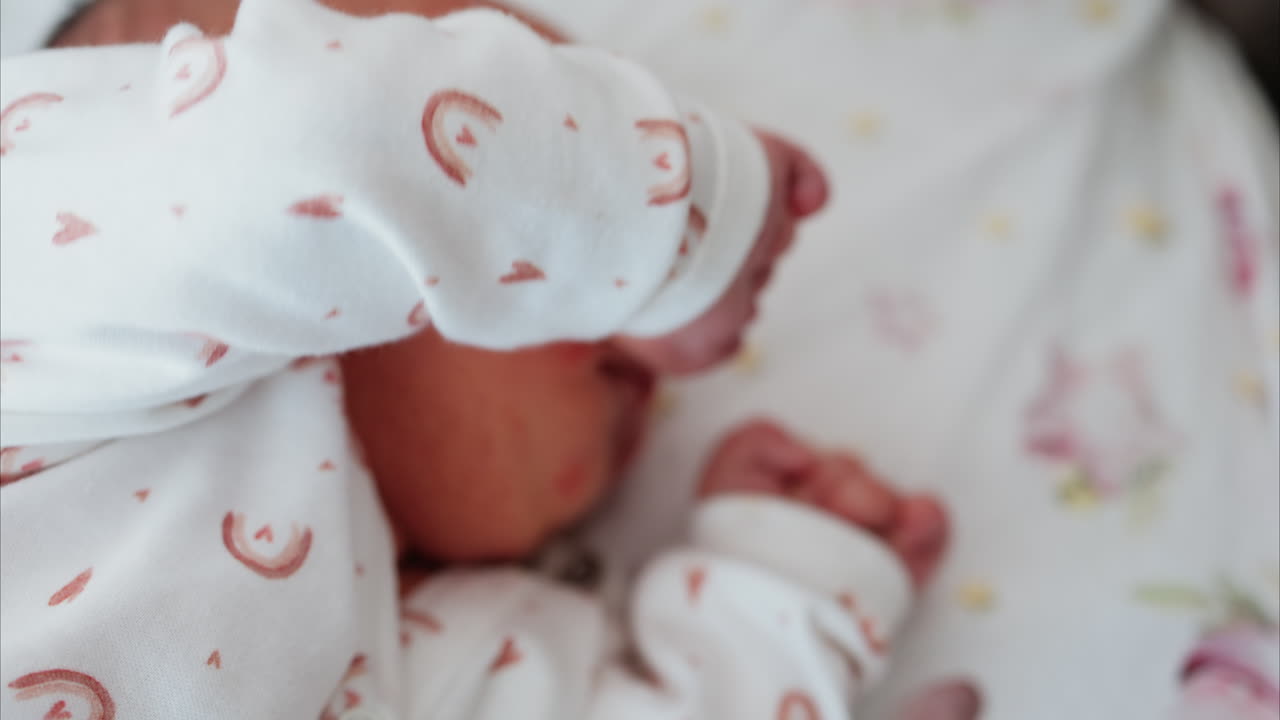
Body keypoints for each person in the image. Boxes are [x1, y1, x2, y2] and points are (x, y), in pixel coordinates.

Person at [0, 0, 975, 718]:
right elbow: (298, 140)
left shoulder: (394, 631)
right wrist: (668, 216)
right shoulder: (45, 296)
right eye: (551, 133)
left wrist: (777, 607)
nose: (664, 380)